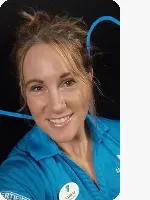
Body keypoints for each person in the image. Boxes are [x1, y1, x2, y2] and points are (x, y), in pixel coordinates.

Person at [0, 10, 120, 200]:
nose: (56, 106)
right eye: (37, 87)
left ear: (89, 78)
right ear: (23, 91)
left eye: (68, 82)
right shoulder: (20, 173)